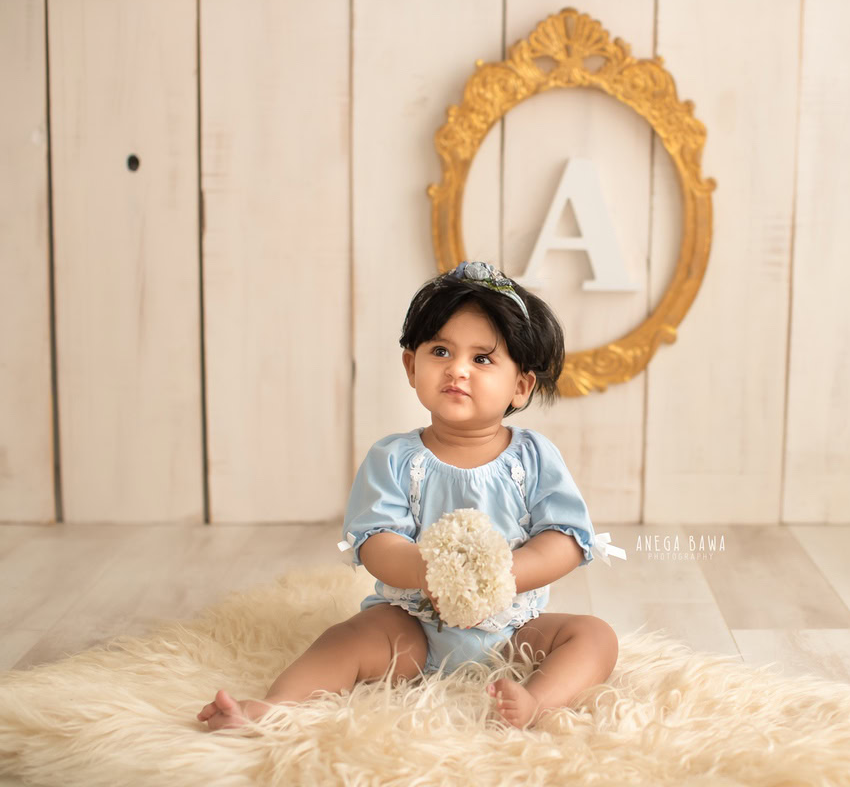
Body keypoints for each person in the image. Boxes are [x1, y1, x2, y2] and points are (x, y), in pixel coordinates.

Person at [197, 261, 623, 732]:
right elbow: (376, 541)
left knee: (594, 636)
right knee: (349, 637)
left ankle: (534, 700)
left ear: (520, 386)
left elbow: (566, 538)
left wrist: (502, 576)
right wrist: (431, 573)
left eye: (482, 359)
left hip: (511, 632)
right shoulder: (396, 458)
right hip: (414, 628)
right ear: (410, 365)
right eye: (441, 350)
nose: (457, 369)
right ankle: (273, 706)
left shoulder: (533, 457)